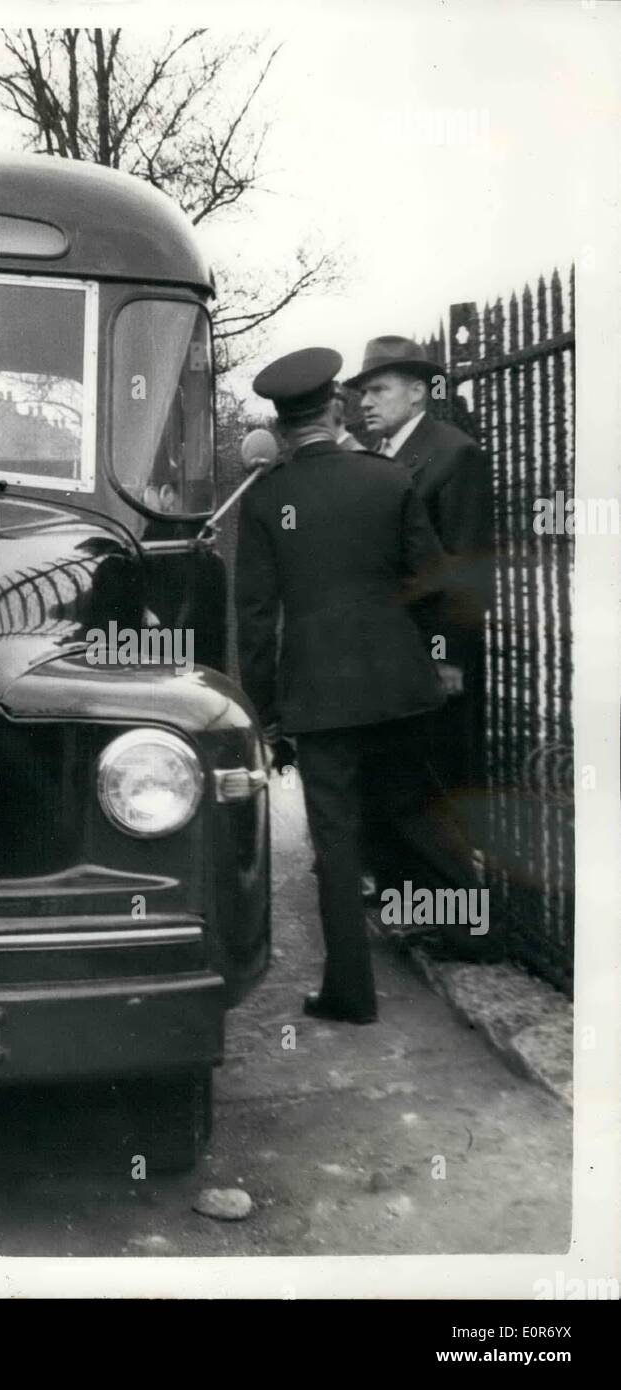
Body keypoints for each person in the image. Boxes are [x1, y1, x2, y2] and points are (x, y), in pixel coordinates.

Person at [235, 347, 450, 1024]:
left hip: (319, 698)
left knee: (335, 843)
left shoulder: (268, 497)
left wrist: (267, 716)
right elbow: (435, 580)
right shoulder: (386, 479)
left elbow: (255, 618)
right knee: (415, 809)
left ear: (279, 419)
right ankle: (474, 928)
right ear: (335, 407)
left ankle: (350, 993)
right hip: (398, 685)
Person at [347, 336, 494, 797]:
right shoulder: (380, 456)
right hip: (386, 653)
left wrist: (448, 654)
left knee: (434, 781)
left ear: (417, 393)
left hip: (429, 654)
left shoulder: (455, 453)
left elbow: (466, 561)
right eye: (363, 393)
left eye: (379, 391)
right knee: (395, 780)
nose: (366, 403)